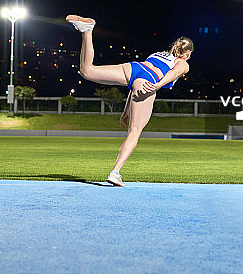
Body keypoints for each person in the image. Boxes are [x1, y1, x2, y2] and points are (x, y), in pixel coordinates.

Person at [66, 15, 194, 186]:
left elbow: (134, 85)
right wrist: (157, 85)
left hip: (134, 68)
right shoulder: (183, 62)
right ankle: (115, 172)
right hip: (150, 80)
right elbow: (173, 73)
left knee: (87, 71)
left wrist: (126, 111)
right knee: (135, 131)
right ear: (188, 53)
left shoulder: (159, 54)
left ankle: (87, 31)